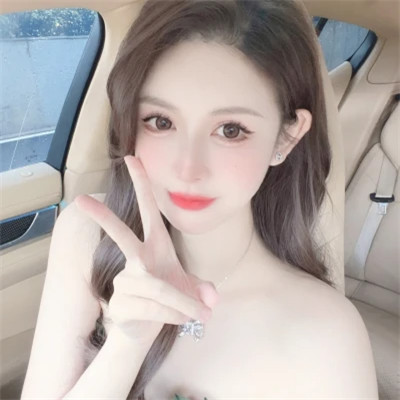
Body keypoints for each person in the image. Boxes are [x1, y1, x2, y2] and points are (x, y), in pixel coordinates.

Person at [21, 0, 379, 399]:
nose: (188, 169)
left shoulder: (328, 333)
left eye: (230, 130)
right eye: (161, 122)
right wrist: (126, 344)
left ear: (286, 137)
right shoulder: (87, 237)